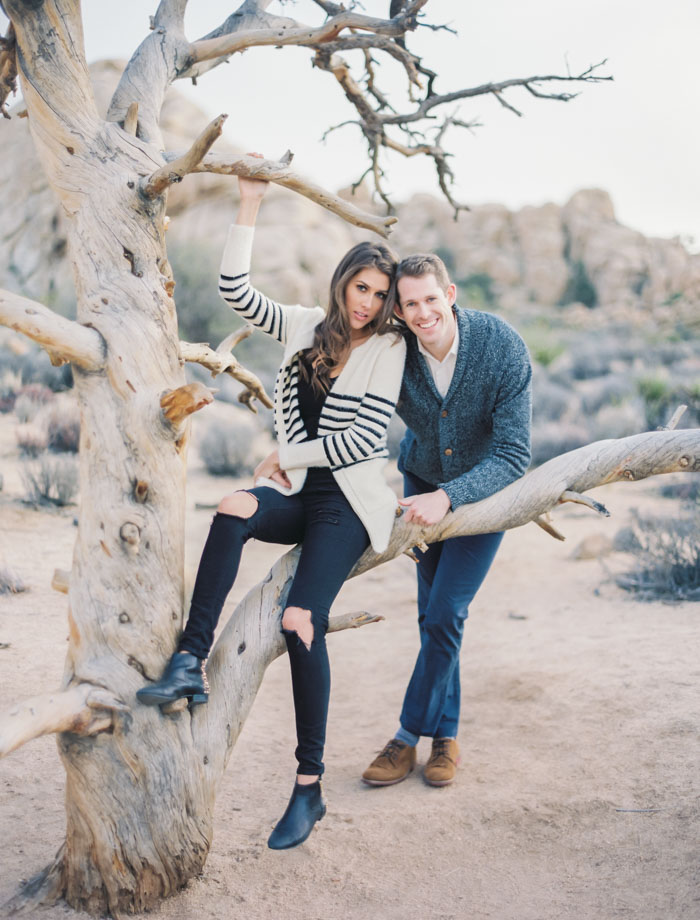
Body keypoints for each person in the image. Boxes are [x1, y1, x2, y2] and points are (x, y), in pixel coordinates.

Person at [137, 168, 406, 850]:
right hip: (297, 492)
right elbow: (234, 291)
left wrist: (291, 454)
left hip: (348, 503)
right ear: (344, 282)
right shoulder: (302, 326)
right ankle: (188, 664)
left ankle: (309, 786)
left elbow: (357, 441)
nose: (369, 303)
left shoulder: (390, 349)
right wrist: (250, 202)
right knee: (230, 504)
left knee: (298, 621)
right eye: (362, 287)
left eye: (381, 294)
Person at [361, 251, 532, 789]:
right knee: (431, 615)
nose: (422, 312)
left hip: (485, 495)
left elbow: (512, 453)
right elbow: (348, 404)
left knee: (447, 611)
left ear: (450, 294)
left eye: (430, 299)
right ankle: (447, 739)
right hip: (419, 485)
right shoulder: (395, 351)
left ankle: (407, 737)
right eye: (409, 304)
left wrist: (450, 497)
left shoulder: (501, 345)